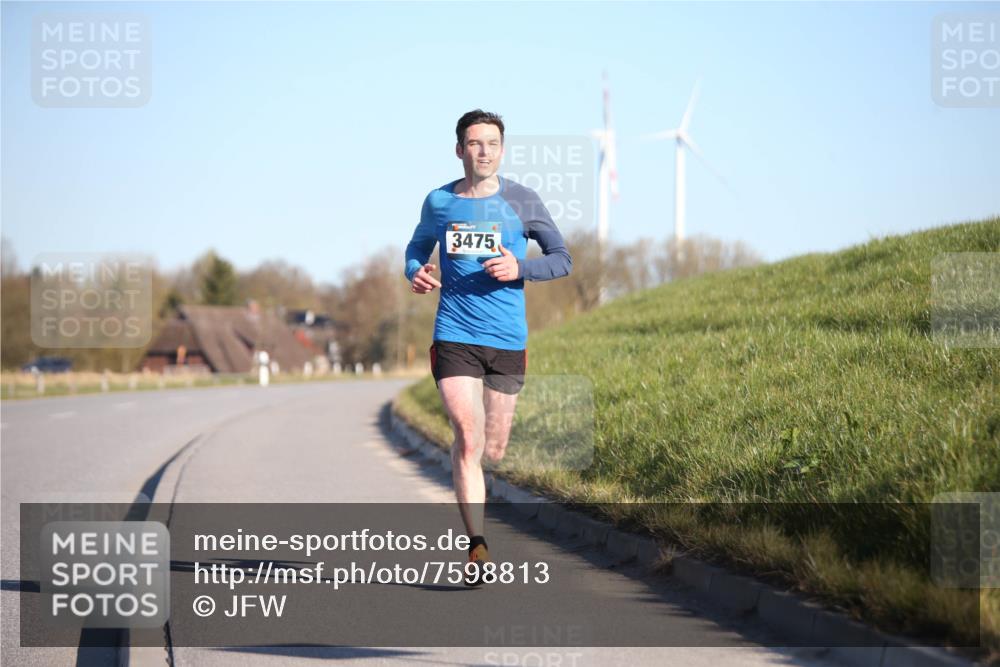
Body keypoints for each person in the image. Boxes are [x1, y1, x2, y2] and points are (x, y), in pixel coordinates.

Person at [404, 109, 572, 585]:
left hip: (506, 340)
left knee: (494, 447)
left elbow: (562, 259)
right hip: (454, 333)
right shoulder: (439, 202)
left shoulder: (522, 200)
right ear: (460, 150)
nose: (483, 151)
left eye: (492, 143)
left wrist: (520, 269)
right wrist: (414, 270)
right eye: (474, 143)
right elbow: (417, 247)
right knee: (468, 434)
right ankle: (476, 544)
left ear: (502, 149)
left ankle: (477, 482)